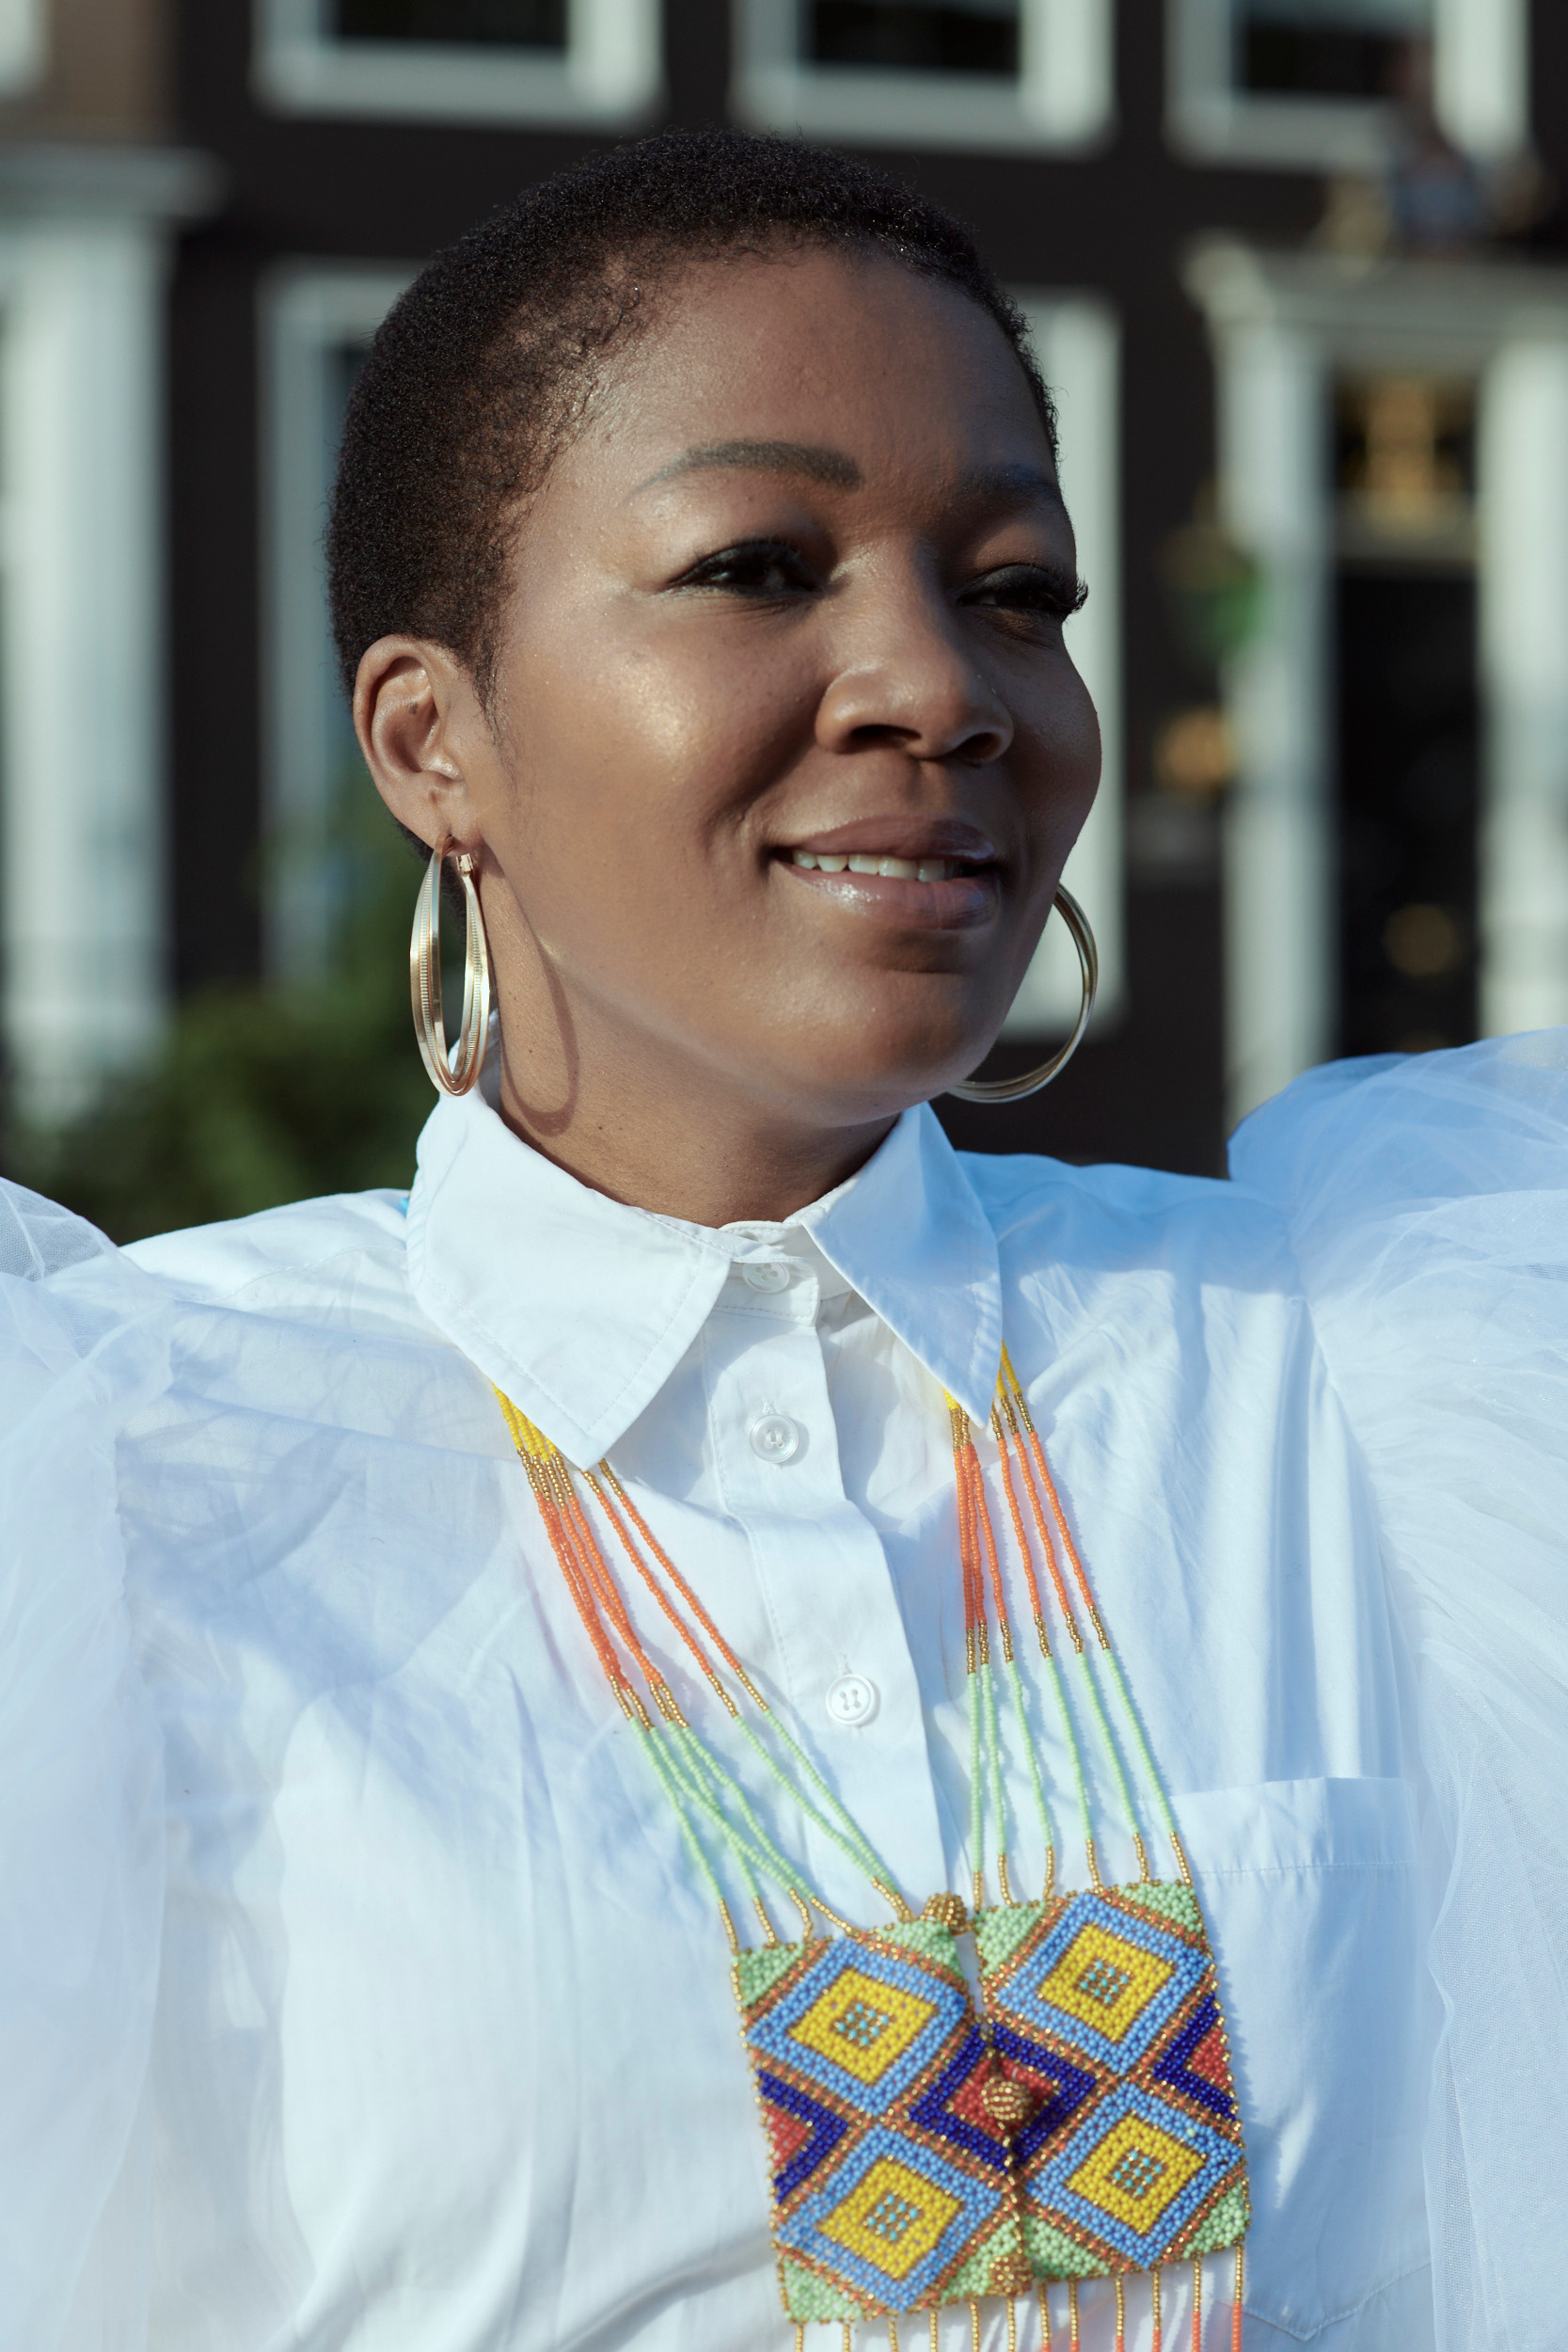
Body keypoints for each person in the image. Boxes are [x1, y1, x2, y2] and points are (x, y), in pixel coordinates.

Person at [2, 130, 1562, 2352]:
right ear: (432, 739)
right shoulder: (127, 1476)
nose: (939, 686)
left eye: (1018, 588)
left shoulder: (1360, 1383)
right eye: (756, 564)